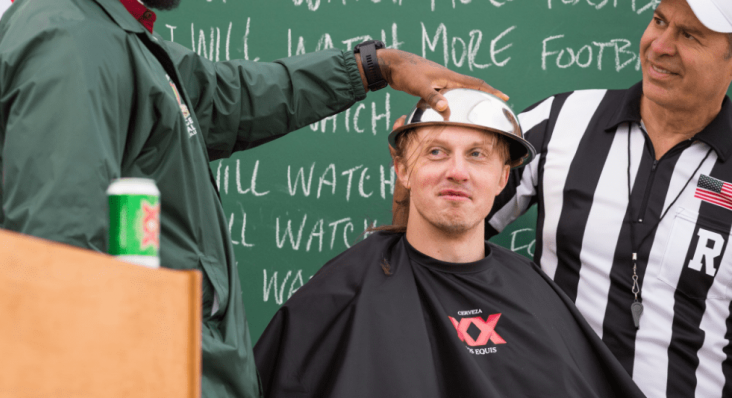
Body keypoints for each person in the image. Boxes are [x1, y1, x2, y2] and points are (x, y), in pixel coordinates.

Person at [0, 0, 503, 398]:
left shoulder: (113, 35)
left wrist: (375, 65)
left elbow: (228, 99)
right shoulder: (71, 38)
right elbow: (61, 256)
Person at [254, 89, 645, 398]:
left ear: (501, 177)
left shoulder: (535, 293)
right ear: (403, 170)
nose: (457, 172)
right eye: (437, 152)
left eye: (477, 155)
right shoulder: (343, 293)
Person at [480, 0, 732, 398]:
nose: (660, 45)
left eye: (689, 35)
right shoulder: (559, 121)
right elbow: (445, 226)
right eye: (659, 21)